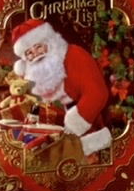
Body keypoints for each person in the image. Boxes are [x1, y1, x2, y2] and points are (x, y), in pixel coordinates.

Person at [10, 18, 111, 158]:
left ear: (49, 42)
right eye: (29, 53)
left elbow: (97, 93)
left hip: (85, 130)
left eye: (38, 47)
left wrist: (75, 123)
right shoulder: (29, 75)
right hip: (48, 140)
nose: (36, 54)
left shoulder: (75, 55)